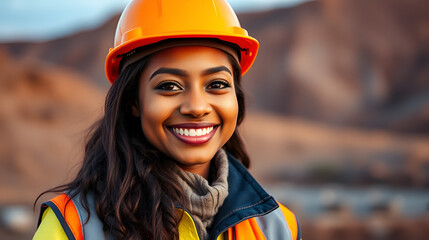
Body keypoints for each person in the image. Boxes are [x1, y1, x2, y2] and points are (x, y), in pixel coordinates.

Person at [33, 0, 302, 239]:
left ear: (236, 96)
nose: (197, 107)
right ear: (133, 101)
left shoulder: (278, 226)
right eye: (169, 86)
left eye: (217, 84)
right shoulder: (72, 227)